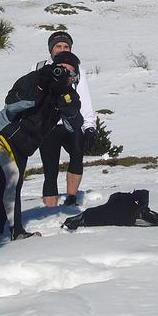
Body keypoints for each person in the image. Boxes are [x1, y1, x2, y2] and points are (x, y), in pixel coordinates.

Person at [0, 51, 83, 240]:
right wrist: (40, 86)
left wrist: (67, 108)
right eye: (62, 70)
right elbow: (11, 104)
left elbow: (73, 126)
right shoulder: (36, 78)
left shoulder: (69, 96)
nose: (66, 76)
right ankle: (17, 232)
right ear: (54, 67)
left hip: (22, 147)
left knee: (9, 185)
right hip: (1, 134)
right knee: (12, 179)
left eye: (71, 73)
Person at [37, 32, 96, 207]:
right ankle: (50, 210)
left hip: (72, 123)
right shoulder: (39, 67)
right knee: (50, 169)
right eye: (58, 46)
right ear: (51, 49)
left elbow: (84, 99)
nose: (62, 49)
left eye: (66, 47)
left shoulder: (78, 71)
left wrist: (90, 126)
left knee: (77, 157)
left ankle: (71, 198)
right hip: (48, 126)